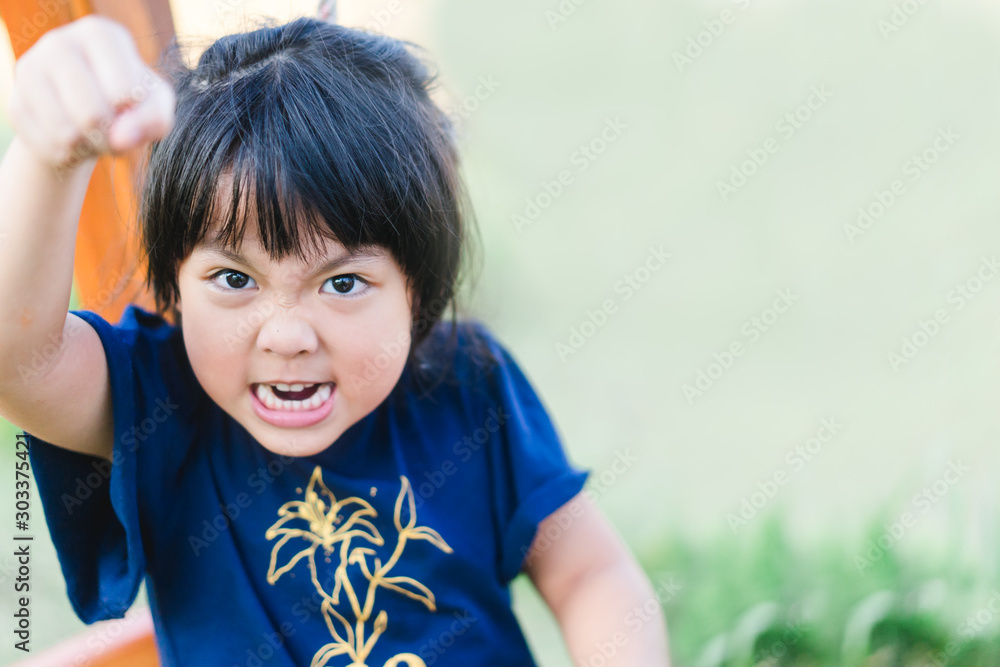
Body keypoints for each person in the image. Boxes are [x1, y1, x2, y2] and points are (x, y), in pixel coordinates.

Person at [0, 14, 670, 667]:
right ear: (174, 285)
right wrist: (46, 157)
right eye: (234, 277)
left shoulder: (468, 385)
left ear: (418, 290)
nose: (288, 335)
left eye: (343, 283)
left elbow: (588, 573)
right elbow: (17, 360)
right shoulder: (161, 409)